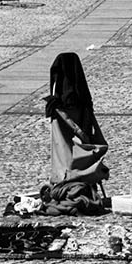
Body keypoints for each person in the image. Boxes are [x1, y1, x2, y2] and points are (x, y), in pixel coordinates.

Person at [44, 51, 109, 201]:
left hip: (65, 166)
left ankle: (68, 183)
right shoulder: (83, 102)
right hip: (83, 156)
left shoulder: (57, 108)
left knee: (62, 149)